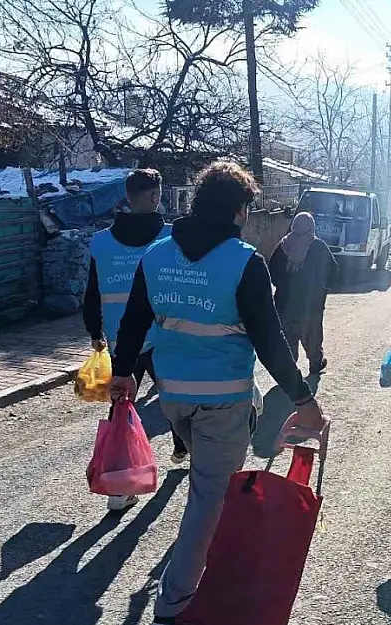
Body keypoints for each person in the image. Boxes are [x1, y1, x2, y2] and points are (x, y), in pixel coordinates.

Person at [108, 161, 326, 625]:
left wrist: (123, 373)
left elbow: (133, 323)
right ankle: (175, 602)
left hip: (173, 398)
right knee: (208, 497)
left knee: (207, 487)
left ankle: (196, 577)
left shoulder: (157, 256)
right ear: (240, 210)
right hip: (222, 399)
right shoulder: (243, 261)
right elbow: (269, 340)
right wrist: (304, 398)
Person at [84, 169, 186, 511]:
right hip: (162, 336)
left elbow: (92, 292)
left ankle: (118, 489)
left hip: (118, 342)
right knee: (176, 398)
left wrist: (93, 332)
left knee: (120, 411)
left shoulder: (100, 241)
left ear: (127, 197)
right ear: (156, 196)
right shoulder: (171, 238)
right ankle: (182, 447)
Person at [269, 212, 338, 377]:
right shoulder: (318, 247)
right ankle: (315, 363)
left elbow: (272, 271)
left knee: (287, 339)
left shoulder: (283, 246)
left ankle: (289, 370)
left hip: (285, 304)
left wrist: (284, 285)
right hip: (311, 305)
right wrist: (320, 287)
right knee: (312, 336)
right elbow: (334, 273)